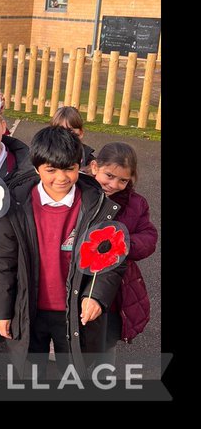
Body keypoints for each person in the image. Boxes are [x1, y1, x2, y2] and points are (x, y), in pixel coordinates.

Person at [0, 126, 126, 370]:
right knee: (30, 372)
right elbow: (2, 261)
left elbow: (110, 260)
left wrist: (96, 296)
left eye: (69, 169)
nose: (61, 178)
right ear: (36, 167)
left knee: (74, 372)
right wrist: (1, 310)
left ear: (80, 165)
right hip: (28, 309)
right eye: (51, 170)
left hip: (74, 312)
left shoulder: (97, 208)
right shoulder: (16, 205)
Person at [89, 142, 156, 350]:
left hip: (116, 287)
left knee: (107, 340)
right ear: (94, 168)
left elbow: (149, 236)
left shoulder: (136, 204)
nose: (114, 184)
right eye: (109, 175)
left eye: (123, 180)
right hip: (80, 280)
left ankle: (103, 377)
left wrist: (124, 243)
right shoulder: (81, 195)